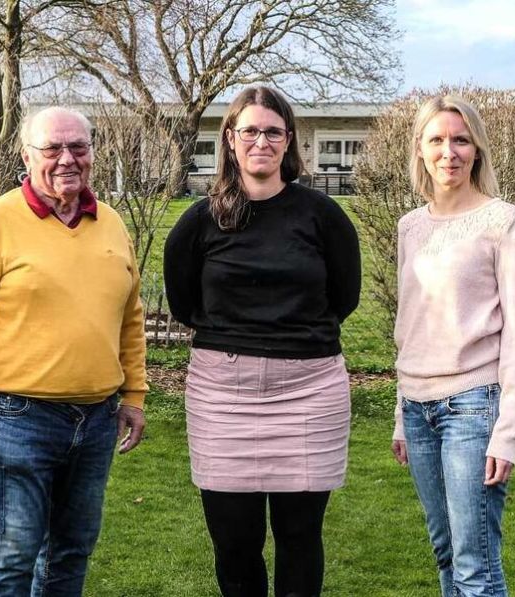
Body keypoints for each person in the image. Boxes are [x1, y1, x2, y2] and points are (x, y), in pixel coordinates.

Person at [0, 106, 148, 596]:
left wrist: (134, 395)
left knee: (70, 553)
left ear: (93, 153)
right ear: (28, 156)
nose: (67, 159)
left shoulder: (111, 224)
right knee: (11, 556)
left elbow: (129, 319)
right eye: (52, 148)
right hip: (18, 418)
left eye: (79, 147)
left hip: (96, 419)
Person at [164, 85, 361, 597]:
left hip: (310, 393)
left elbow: (345, 296)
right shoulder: (199, 222)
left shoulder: (322, 216)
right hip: (221, 397)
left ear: (288, 140)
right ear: (230, 139)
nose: (261, 141)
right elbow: (185, 305)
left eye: (273, 132)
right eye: (249, 130)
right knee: (234, 544)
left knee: (300, 537)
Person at [390, 95, 515, 597]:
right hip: (417, 409)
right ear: (420, 149)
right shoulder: (410, 226)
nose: (448, 152)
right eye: (436, 140)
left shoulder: (503, 222)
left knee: (475, 562)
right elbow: (409, 325)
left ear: (476, 149)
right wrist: (399, 414)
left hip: (473, 409)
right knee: (445, 551)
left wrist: (509, 432)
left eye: (460, 140)